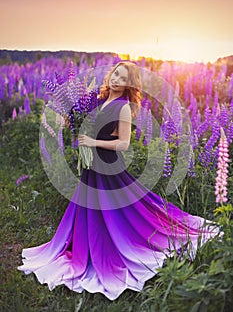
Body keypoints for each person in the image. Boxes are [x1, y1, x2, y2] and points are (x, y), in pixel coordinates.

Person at [18, 61, 218, 300]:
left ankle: (113, 249)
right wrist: (71, 122)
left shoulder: (123, 107)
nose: (115, 79)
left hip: (109, 167)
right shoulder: (100, 101)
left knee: (124, 214)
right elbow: (86, 124)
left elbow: (123, 144)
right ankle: (88, 247)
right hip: (91, 169)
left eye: (122, 78)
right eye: (115, 74)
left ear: (128, 84)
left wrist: (92, 143)